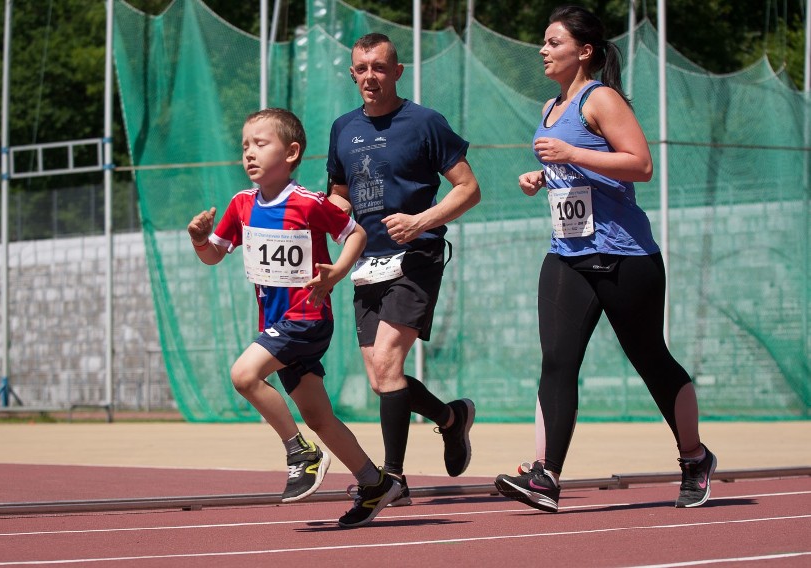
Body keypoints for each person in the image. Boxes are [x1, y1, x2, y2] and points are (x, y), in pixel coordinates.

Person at [494, 6, 716, 513]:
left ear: (584, 51)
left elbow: (640, 164)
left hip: (624, 256)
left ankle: (694, 457)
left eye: (553, 42)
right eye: (543, 43)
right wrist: (541, 178)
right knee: (557, 361)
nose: (543, 51)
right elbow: (570, 170)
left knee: (650, 359)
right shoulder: (551, 106)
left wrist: (571, 157)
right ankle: (545, 476)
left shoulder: (602, 98)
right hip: (567, 254)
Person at [187, 108, 400, 528]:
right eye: (245, 145)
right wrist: (198, 240)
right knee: (319, 416)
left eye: (261, 144)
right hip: (275, 322)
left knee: (244, 376)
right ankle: (374, 483)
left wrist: (338, 271)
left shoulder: (308, 203)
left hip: (307, 316)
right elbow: (214, 254)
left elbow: (356, 233)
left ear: (292, 153)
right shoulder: (241, 204)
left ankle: (300, 452)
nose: (249, 153)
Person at [326, 33, 482, 504]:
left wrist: (422, 221)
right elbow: (338, 195)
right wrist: (321, 233)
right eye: (361, 69)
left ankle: (392, 477)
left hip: (416, 257)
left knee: (390, 363)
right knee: (381, 378)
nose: (369, 77)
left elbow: (468, 189)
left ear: (397, 71)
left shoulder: (425, 123)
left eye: (379, 67)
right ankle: (452, 419)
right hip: (364, 262)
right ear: (352, 74)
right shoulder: (342, 129)